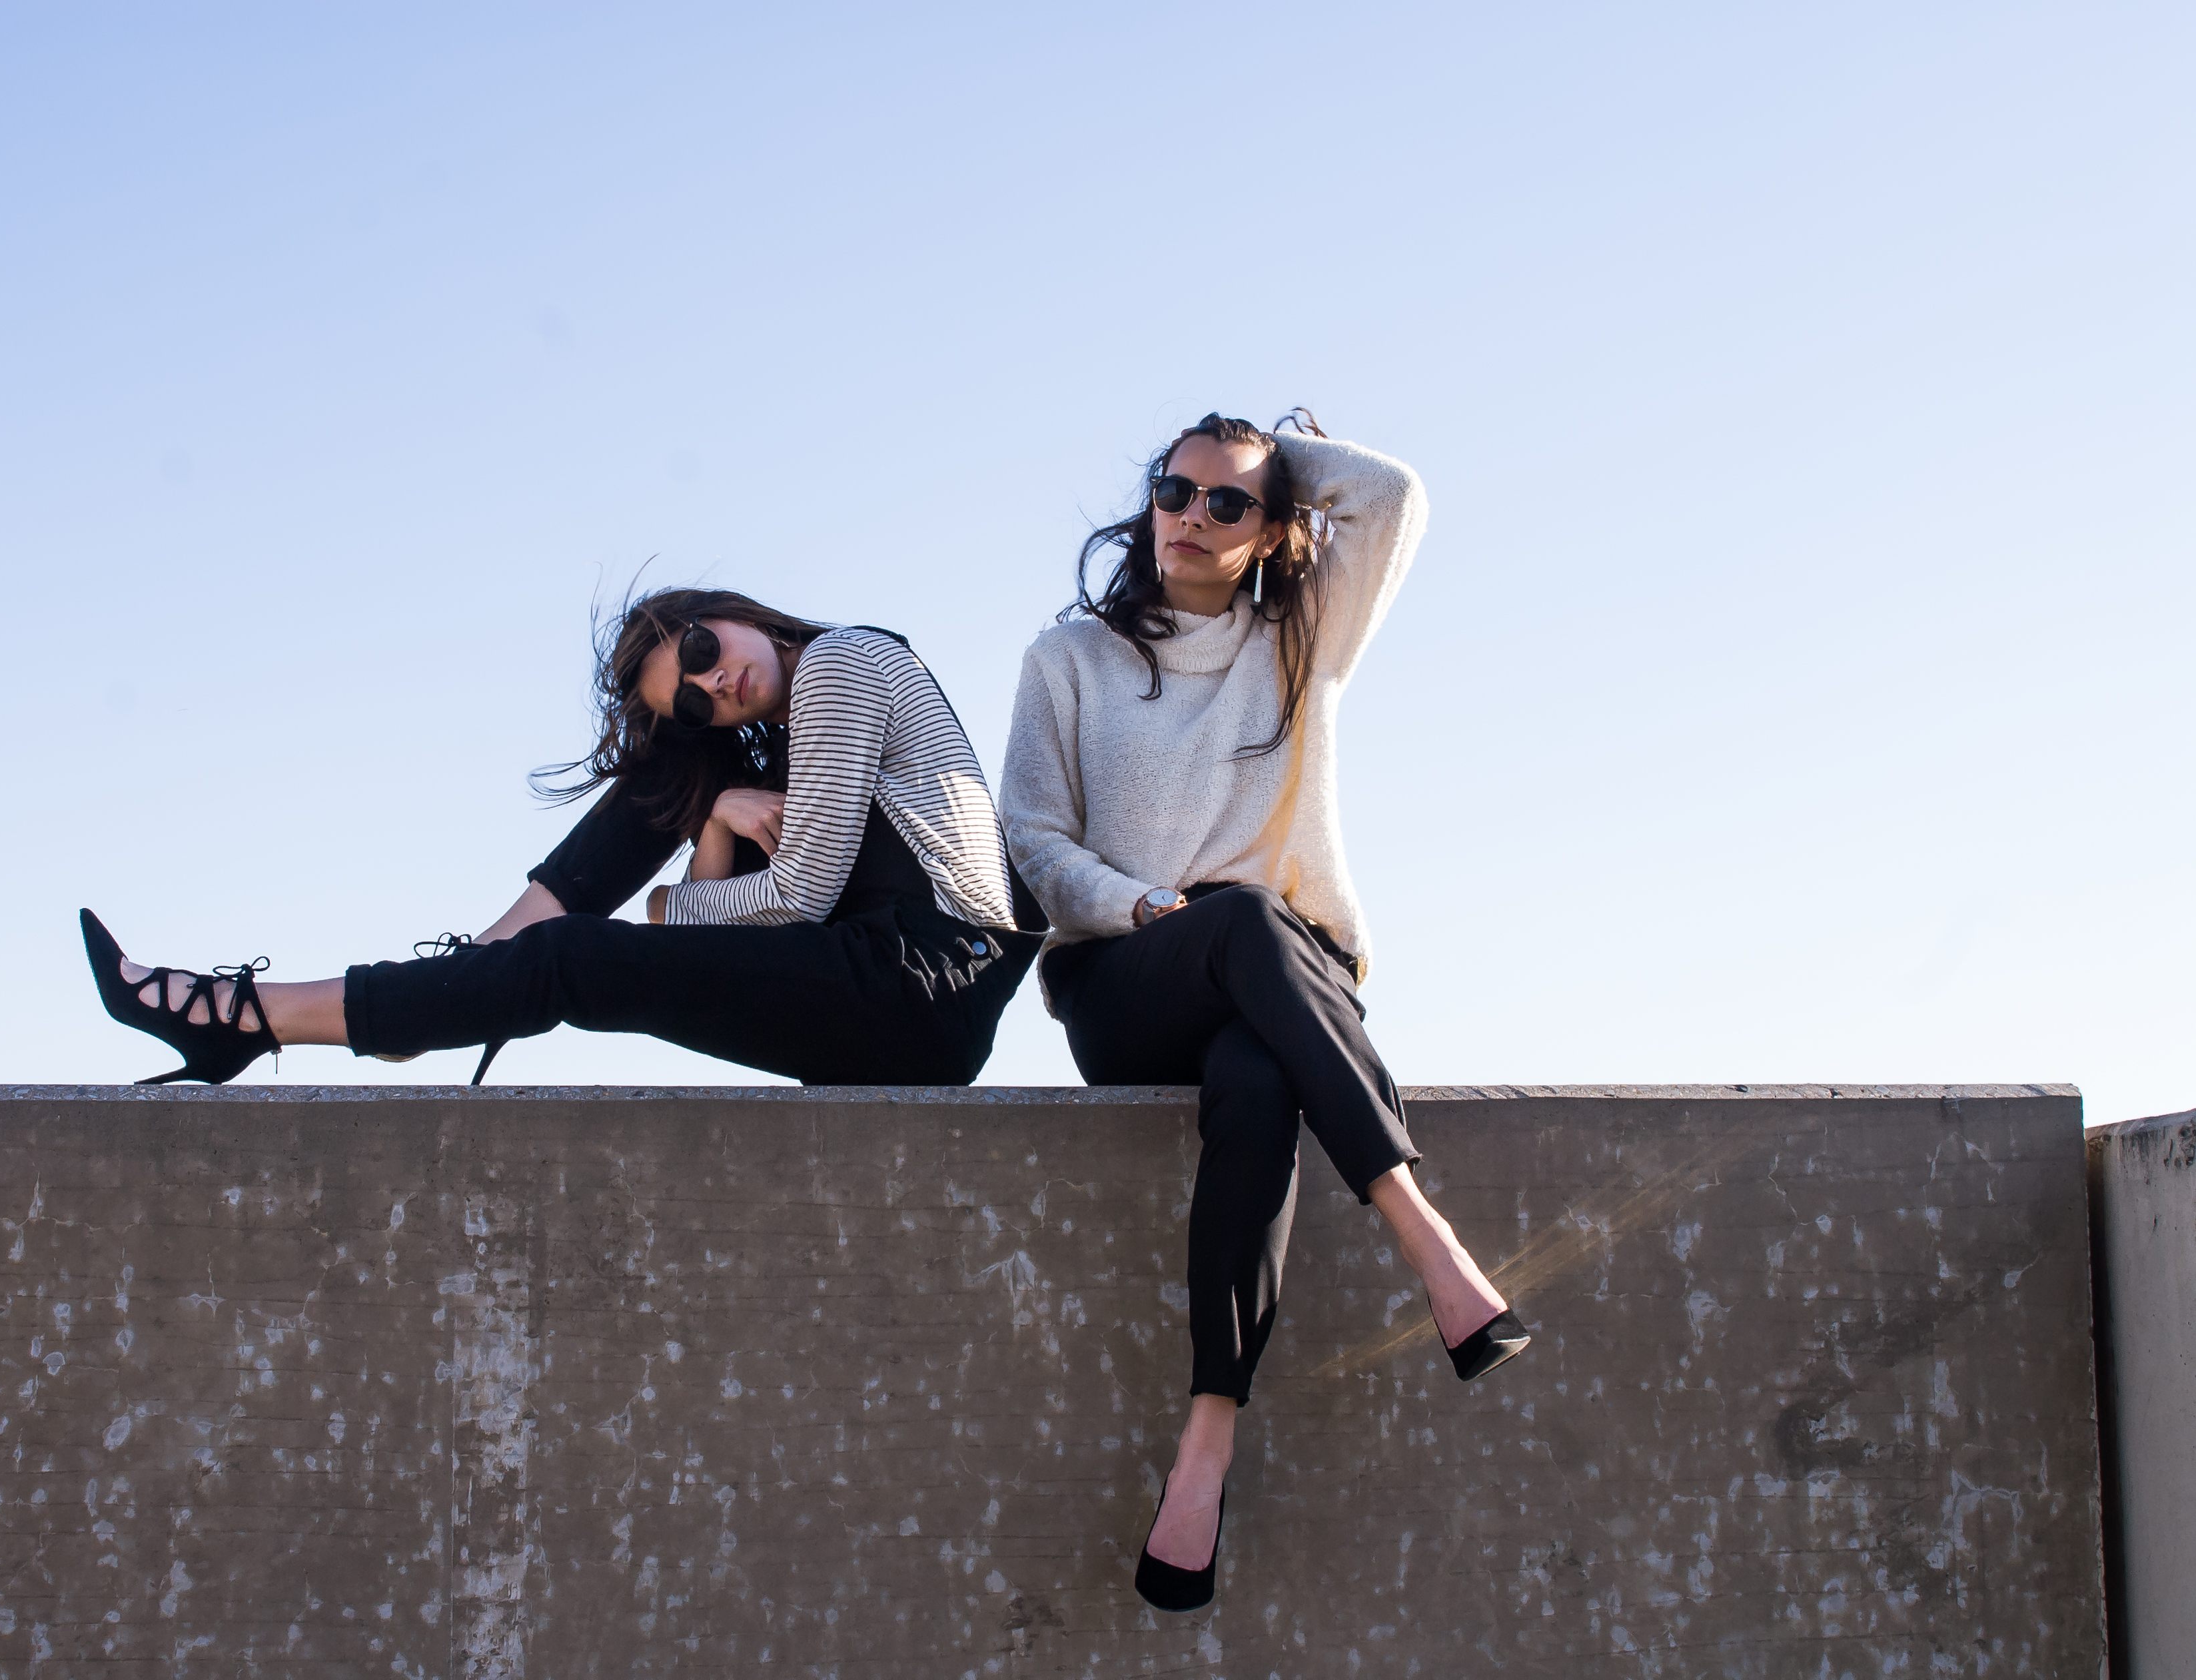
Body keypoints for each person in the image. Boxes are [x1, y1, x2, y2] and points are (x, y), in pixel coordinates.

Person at [1001, 412, 1526, 1613]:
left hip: (1284, 991)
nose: (1190, 514)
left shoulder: (1303, 635)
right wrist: (1142, 905)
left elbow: (1392, 498)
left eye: (1227, 501)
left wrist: (1287, 460)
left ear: (1276, 524)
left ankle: (1207, 1440)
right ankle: (1426, 1238)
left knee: (1255, 1078)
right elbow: (1032, 836)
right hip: (1131, 975)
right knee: (1237, 920)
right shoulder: (1067, 660)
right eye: (1173, 489)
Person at [83, 587, 1037, 1088]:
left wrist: (662, 906)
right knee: (677, 788)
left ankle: (263, 1013)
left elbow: (797, 898)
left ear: (728, 611)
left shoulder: (840, 662)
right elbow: (748, 913)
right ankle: (459, 978)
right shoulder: (784, 745)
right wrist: (714, 815)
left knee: (572, 957)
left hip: (928, 975)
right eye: (693, 701)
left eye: (702, 650)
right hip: (905, 999)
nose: (715, 683)